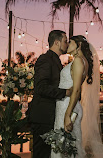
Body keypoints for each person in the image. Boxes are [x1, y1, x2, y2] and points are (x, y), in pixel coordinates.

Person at [51, 35, 103, 158]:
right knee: (68, 147)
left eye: (71, 43)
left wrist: (68, 115)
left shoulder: (79, 61)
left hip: (68, 106)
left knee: (66, 147)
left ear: (78, 46)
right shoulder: (78, 60)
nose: (68, 45)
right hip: (65, 105)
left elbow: (76, 90)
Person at [27, 30, 72, 158]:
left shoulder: (55, 60)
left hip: (49, 116)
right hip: (43, 117)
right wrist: (66, 92)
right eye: (65, 41)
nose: (67, 44)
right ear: (57, 43)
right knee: (42, 154)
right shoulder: (45, 59)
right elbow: (41, 87)